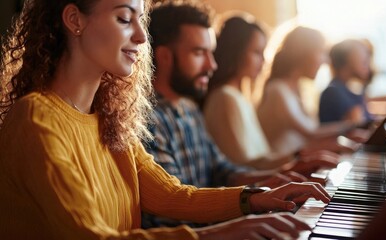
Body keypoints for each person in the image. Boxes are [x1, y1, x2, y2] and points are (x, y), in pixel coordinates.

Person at [0, 0, 332, 239]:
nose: (142, 38)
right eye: (123, 18)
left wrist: (256, 197)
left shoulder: (108, 120)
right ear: (74, 19)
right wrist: (222, 234)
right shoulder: (36, 119)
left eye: (139, 21)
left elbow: (172, 194)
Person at [143, 0, 331, 229]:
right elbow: (172, 212)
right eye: (199, 53)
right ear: (164, 57)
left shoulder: (189, 109)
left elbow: (224, 171)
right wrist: (251, 207)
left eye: (211, 53)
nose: (212, 65)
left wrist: (282, 176)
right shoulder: (148, 119)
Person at [204, 14, 340, 171]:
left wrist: (305, 155)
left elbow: (261, 159)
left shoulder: (238, 96)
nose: (264, 60)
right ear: (236, 52)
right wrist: (300, 157)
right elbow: (245, 166)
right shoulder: (225, 97)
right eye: (256, 52)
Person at [257, 26, 356, 155]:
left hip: (295, 165)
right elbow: (311, 133)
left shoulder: (296, 89)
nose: (326, 60)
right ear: (304, 53)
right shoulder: (277, 90)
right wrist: (352, 125)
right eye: (321, 52)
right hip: (283, 169)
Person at [319, 39, 373, 124]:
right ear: (347, 60)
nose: (367, 59)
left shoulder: (352, 90)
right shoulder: (332, 93)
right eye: (363, 59)